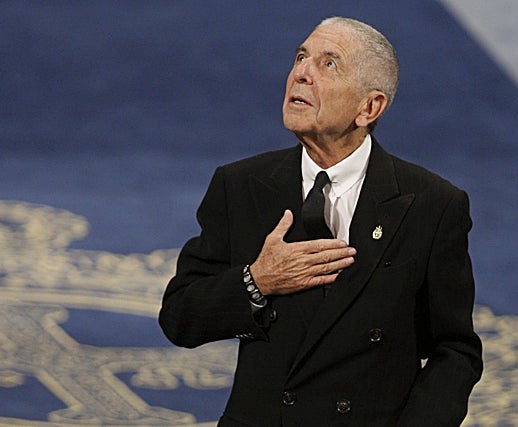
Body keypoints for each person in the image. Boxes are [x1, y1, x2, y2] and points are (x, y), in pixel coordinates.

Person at [159, 16, 482, 426]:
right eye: (301, 57)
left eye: (329, 64)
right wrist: (257, 281)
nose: (301, 74)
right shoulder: (240, 186)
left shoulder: (431, 205)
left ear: (370, 107)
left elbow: (454, 352)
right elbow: (180, 317)